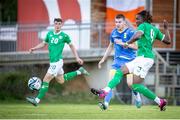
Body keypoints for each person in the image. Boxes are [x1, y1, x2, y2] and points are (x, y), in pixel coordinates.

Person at [91, 10, 171, 111]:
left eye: (137, 19)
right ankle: (105, 91)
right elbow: (168, 41)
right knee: (120, 71)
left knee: (134, 85)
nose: (136, 21)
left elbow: (137, 35)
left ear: (143, 19)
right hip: (140, 58)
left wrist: (127, 43)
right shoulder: (154, 29)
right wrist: (166, 29)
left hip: (145, 59)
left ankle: (160, 101)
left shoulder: (143, 25)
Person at [26, 18, 89, 106]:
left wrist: (77, 57)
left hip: (57, 62)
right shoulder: (49, 34)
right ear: (54, 24)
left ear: (61, 25)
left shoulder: (64, 36)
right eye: (56, 23)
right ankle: (80, 71)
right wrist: (34, 48)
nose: (58, 25)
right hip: (53, 62)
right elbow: (43, 43)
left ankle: (36, 100)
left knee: (46, 79)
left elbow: (72, 46)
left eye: (59, 24)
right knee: (61, 80)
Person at [95, 14, 142, 110]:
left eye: (119, 22)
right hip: (117, 62)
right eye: (116, 22)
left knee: (130, 84)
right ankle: (106, 104)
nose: (117, 24)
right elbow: (110, 46)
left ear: (124, 22)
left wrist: (125, 44)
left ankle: (137, 97)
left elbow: (136, 47)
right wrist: (103, 59)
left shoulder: (130, 32)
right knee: (111, 83)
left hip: (129, 62)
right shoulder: (113, 33)